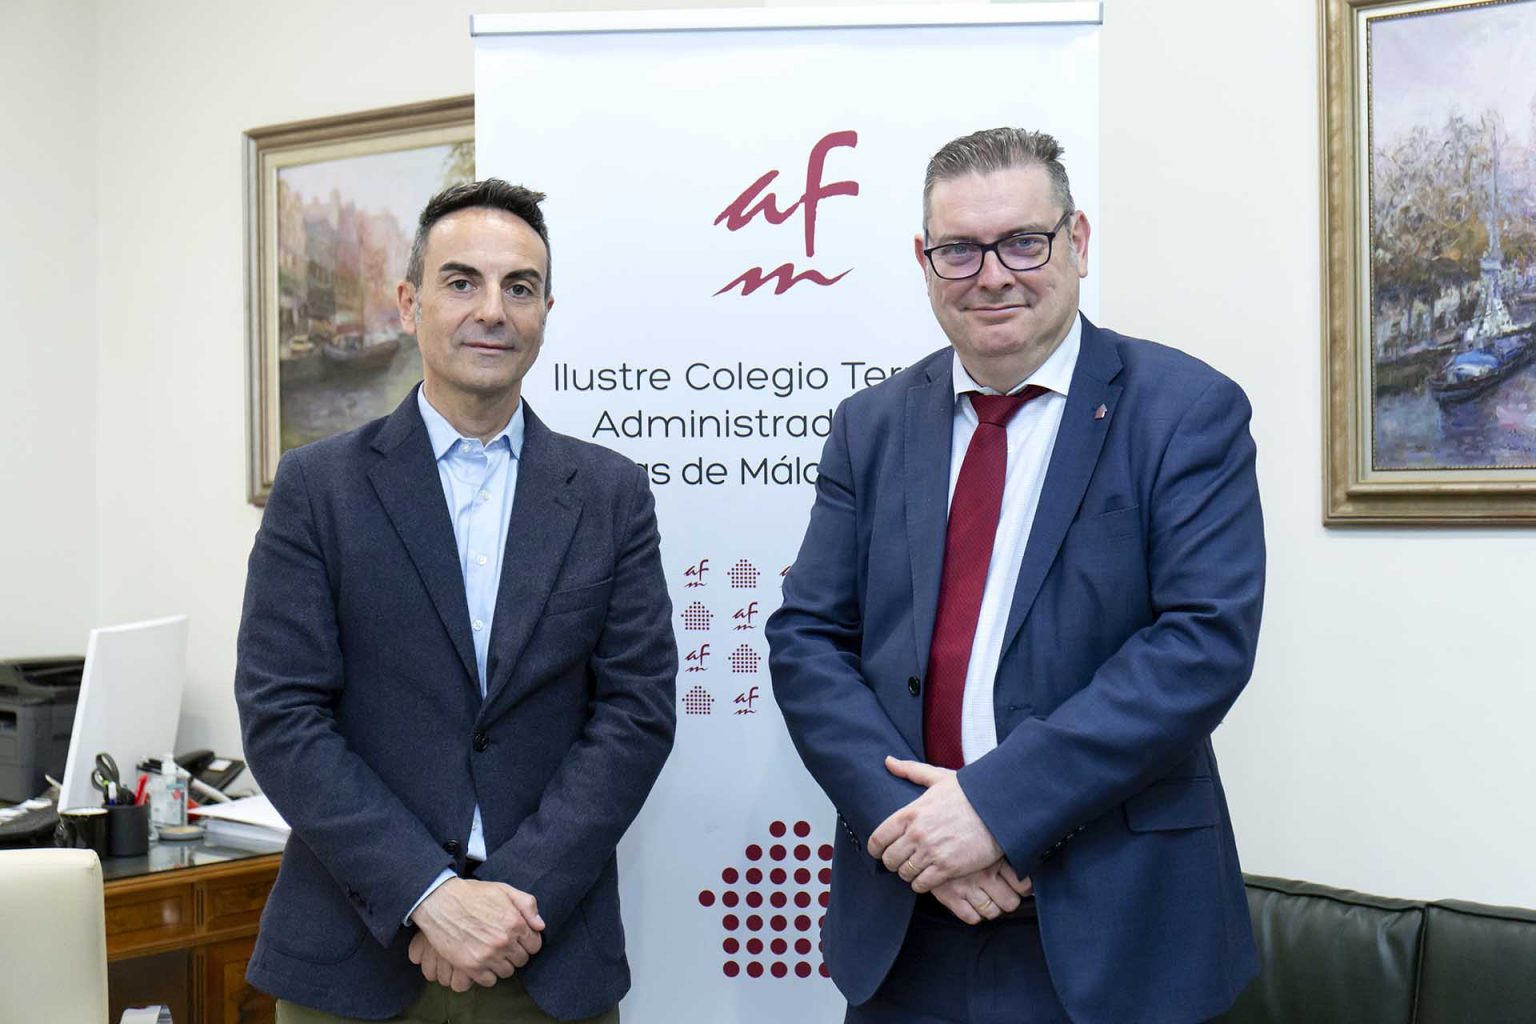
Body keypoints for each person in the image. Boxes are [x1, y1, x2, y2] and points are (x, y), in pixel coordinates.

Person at [767, 128, 1265, 1024]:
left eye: (1023, 243)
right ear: (924, 262)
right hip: (909, 923)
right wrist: (915, 832)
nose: (992, 276)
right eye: (959, 250)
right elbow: (808, 640)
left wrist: (993, 809)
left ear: (1078, 241)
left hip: (1118, 926)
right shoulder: (870, 426)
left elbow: (1202, 644)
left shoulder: (1186, 411)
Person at [236, 179, 677, 1024]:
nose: (492, 311)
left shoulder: (610, 495)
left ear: (546, 311)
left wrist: (509, 900)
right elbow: (282, 715)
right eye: (462, 281)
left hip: (542, 951)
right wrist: (427, 893)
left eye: (520, 288)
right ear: (409, 304)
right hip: (357, 957)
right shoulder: (318, 489)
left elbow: (636, 713)